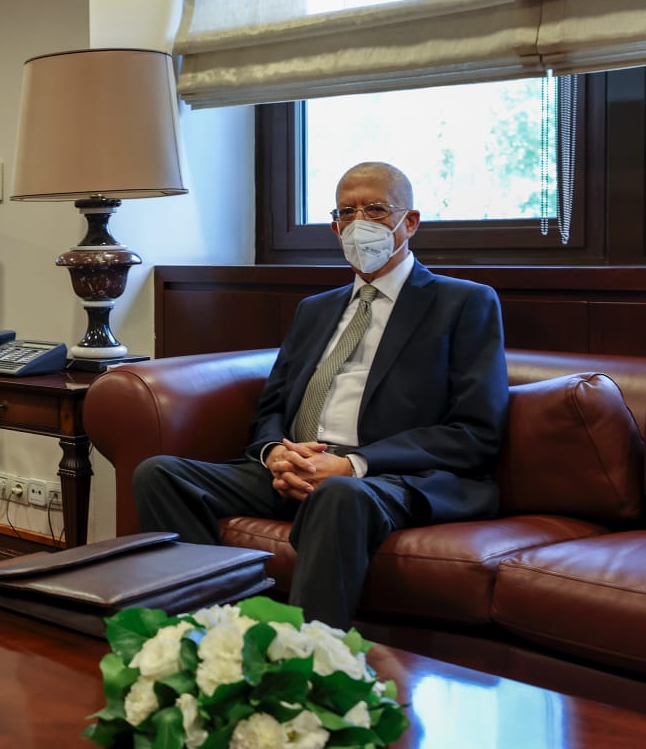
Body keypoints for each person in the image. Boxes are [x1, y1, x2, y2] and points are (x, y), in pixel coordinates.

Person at [133, 161, 508, 630]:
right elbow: (272, 407)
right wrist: (275, 454)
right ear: (335, 228)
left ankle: (306, 655)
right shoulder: (316, 309)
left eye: (375, 209)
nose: (359, 222)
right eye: (346, 212)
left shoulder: (463, 302)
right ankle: (212, 635)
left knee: (338, 493)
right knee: (160, 474)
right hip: (299, 466)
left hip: (387, 477)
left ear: (410, 222)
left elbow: (476, 431)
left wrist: (353, 464)